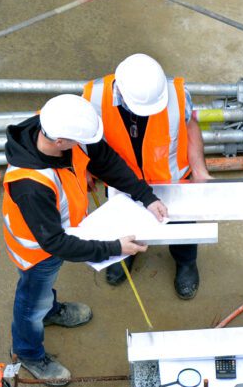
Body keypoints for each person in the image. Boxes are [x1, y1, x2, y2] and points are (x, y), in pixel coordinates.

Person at [3, 94, 168, 387]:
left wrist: (144, 195)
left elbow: (104, 160)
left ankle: (50, 311)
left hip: (61, 234)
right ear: (60, 142)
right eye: (79, 143)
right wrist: (114, 248)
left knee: (42, 293)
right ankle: (28, 353)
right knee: (31, 302)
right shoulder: (30, 184)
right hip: (36, 252)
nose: (85, 147)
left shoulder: (59, 122)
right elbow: (55, 243)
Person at [83, 53, 211, 300]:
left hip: (172, 179)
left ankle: (186, 263)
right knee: (124, 225)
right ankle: (125, 256)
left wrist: (199, 170)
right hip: (123, 183)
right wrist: (85, 168)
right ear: (120, 90)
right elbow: (83, 137)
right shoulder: (93, 98)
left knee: (182, 229)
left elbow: (190, 125)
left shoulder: (175, 93)